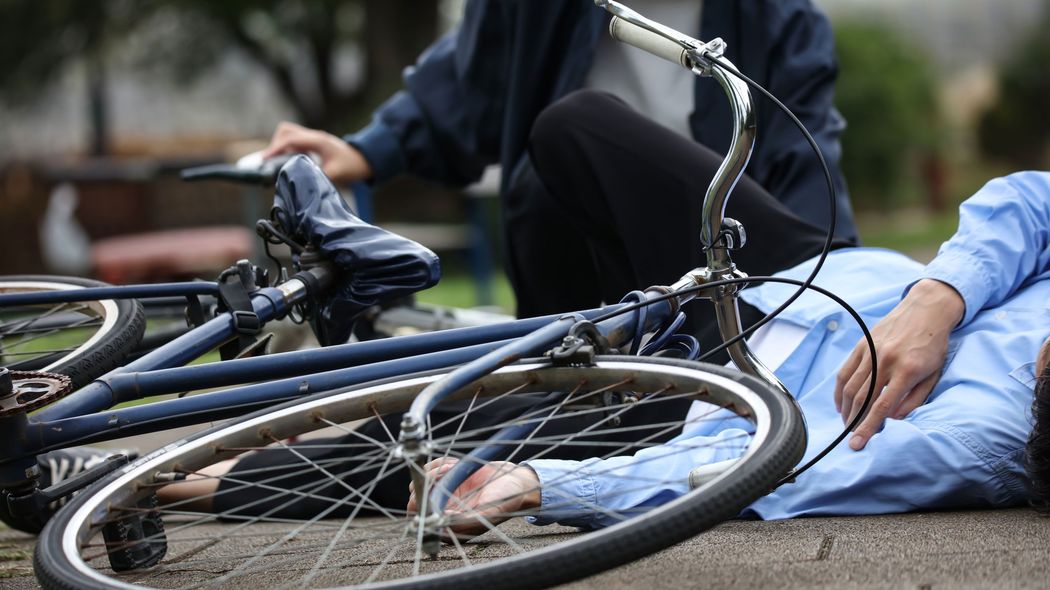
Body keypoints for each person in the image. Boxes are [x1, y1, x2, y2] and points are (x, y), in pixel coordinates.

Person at [156, 93, 1047, 532]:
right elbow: (1032, 201)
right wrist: (939, 297)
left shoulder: (980, 439)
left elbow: (774, 475)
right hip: (810, 271)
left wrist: (555, 485)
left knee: (466, 432)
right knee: (576, 130)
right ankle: (512, 329)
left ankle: (177, 481)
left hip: (725, 390)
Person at [260, 0, 859, 327]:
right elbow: (473, 79)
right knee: (520, 412)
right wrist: (369, 149)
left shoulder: (781, 20)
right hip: (575, 257)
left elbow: (808, 159)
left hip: (718, 258)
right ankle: (240, 473)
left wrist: (840, 301)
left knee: (574, 122)